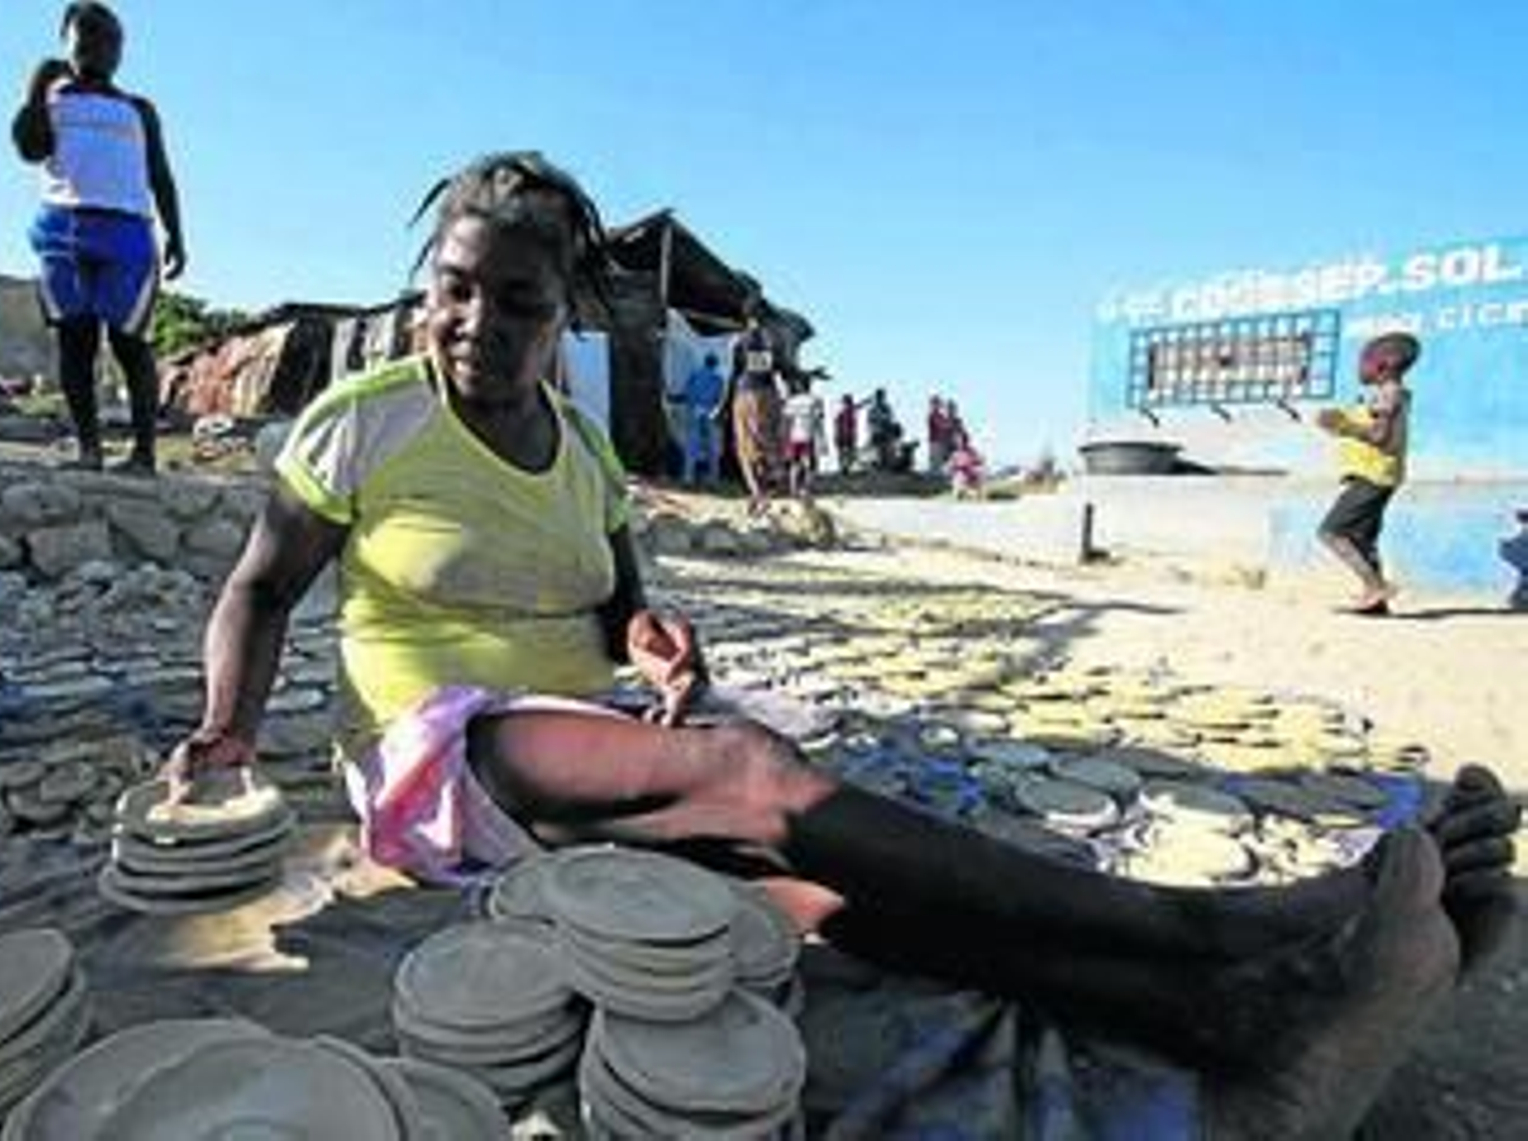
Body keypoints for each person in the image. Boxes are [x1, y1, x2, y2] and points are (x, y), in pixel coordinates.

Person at [169, 152, 1520, 1139]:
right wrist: (229, 720)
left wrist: (658, 647)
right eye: (454, 291)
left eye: (515, 302)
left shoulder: (580, 449)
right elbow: (262, 589)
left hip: (582, 736)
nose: (476, 323)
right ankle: (1229, 927)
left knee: (815, 884)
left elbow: (621, 611)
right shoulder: (368, 418)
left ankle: (1242, 1033)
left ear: (561, 314)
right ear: (426, 293)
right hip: (441, 756)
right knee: (754, 784)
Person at [10, 2, 185, 475]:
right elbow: (29, 148)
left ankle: (144, 453)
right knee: (75, 342)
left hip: (128, 234)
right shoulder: (50, 101)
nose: (98, 48)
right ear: (65, 43)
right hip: (61, 231)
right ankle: (90, 449)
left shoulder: (138, 110)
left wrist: (177, 233)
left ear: (121, 50)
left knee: (130, 342)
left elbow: (160, 176)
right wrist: (37, 84)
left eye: (109, 40)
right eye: (86, 38)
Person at [1315, 333, 1417, 615]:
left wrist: (1343, 426)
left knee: (1331, 532)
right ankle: (1376, 603)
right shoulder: (1389, 393)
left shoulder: (1389, 394)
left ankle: (1376, 586)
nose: (1360, 368)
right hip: (1377, 475)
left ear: (1384, 365)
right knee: (1362, 540)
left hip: (1374, 476)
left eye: (1364, 362)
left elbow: (1381, 436)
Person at [730, 314, 783, 515]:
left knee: (745, 445)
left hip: (747, 393)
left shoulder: (741, 340)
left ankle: (757, 493)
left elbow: (736, 367)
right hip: (771, 392)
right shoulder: (773, 340)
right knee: (769, 440)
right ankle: (767, 490)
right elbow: (780, 367)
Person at [676, 352, 727, 486]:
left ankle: (688, 478)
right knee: (713, 448)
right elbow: (720, 399)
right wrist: (714, 412)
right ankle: (713, 479)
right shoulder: (718, 378)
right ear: (715, 364)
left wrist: (693, 407)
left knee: (692, 446)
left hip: (695, 411)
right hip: (711, 414)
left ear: (705, 362)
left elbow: (687, 393)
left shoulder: (694, 375)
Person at [782, 376, 824, 500]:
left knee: (794, 464)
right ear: (810, 386)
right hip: (808, 435)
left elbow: (786, 421)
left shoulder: (792, 401)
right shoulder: (815, 400)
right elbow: (819, 420)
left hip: (794, 436)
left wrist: (785, 438)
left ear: (799, 387)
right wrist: (821, 439)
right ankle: (806, 490)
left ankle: (793, 490)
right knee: (811, 465)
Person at [927, 394, 953, 476]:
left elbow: (947, 425)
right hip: (935, 441)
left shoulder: (940, 415)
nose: (937, 406)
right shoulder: (933, 415)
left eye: (938, 403)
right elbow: (942, 425)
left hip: (940, 442)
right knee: (935, 463)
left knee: (940, 463)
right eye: (935, 403)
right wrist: (947, 425)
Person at [833, 393, 858, 476]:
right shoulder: (845, 411)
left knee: (846, 453)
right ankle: (844, 467)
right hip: (845, 435)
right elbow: (836, 423)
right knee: (847, 452)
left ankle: (845, 467)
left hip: (845, 434)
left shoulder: (846, 411)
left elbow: (836, 423)